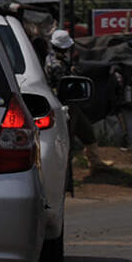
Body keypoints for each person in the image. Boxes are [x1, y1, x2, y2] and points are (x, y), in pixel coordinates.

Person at [44, 29, 109, 171]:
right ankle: (64, 171)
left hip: (71, 104)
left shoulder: (57, 59)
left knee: (86, 131)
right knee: (67, 138)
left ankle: (95, 161)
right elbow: (62, 84)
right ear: (65, 47)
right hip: (63, 105)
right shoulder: (56, 64)